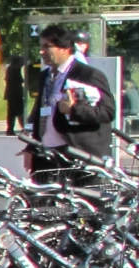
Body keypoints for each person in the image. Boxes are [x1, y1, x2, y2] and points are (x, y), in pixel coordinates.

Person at [27, 24, 112, 178]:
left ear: (64, 48)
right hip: (47, 156)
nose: (42, 51)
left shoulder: (88, 75)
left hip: (77, 156)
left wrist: (73, 110)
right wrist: (31, 147)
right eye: (41, 46)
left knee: (82, 202)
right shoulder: (45, 75)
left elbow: (107, 112)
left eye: (47, 46)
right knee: (42, 200)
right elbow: (41, 113)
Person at [3, 54, 30, 138]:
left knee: (11, 113)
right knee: (19, 111)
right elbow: (20, 79)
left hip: (10, 94)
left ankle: (10, 129)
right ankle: (24, 128)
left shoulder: (9, 68)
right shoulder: (16, 69)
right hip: (16, 93)